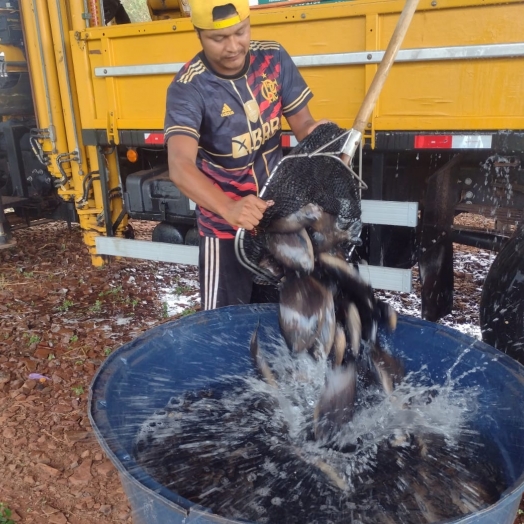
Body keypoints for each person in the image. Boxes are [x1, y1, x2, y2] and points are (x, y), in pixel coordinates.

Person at [164, 0, 326, 310]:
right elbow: (180, 166)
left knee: (284, 318)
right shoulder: (188, 87)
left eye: (241, 32)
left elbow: (303, 124)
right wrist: (229, 207)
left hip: (278, 217)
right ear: (199, 34)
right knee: (224, 325)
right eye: (218, 38)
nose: (233, 46)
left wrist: (323, 135)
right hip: (224, 228)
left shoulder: (273, 58)